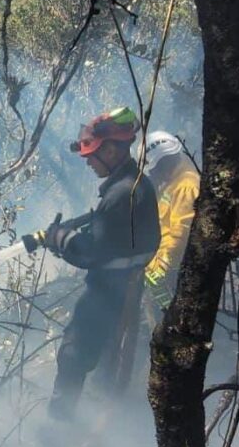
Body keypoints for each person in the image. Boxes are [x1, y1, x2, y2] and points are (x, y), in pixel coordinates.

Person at [40, 107, 160, 419]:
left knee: (73, 354)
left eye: (92, 156)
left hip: (108, 292)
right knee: (105, 358)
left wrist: (63, 241)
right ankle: (104, 415)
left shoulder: (121, 194)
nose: (89, 163)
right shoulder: (133, 185)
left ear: (111, 149)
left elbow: (94, 251)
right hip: (124, 288)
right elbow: (111, 232)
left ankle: (59, 424)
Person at [142, 131, 200, 309]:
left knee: (172, 314)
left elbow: (180, 231)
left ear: (164, 162)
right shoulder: (173, 181)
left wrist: (161, 266)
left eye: (154, 169)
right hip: (161, 260)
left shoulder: (186, 186)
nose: (153, 174)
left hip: (173, 268)